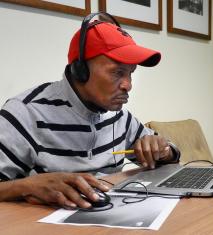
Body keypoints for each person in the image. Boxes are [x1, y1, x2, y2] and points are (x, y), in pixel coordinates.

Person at [0, 13, 180, 209]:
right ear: (81, 70)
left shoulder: (119, 116)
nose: (128, 85)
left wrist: (164, 150)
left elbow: (167, 157)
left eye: (131, 73)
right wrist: (29, 185)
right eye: (118, 72)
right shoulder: (25, 113)